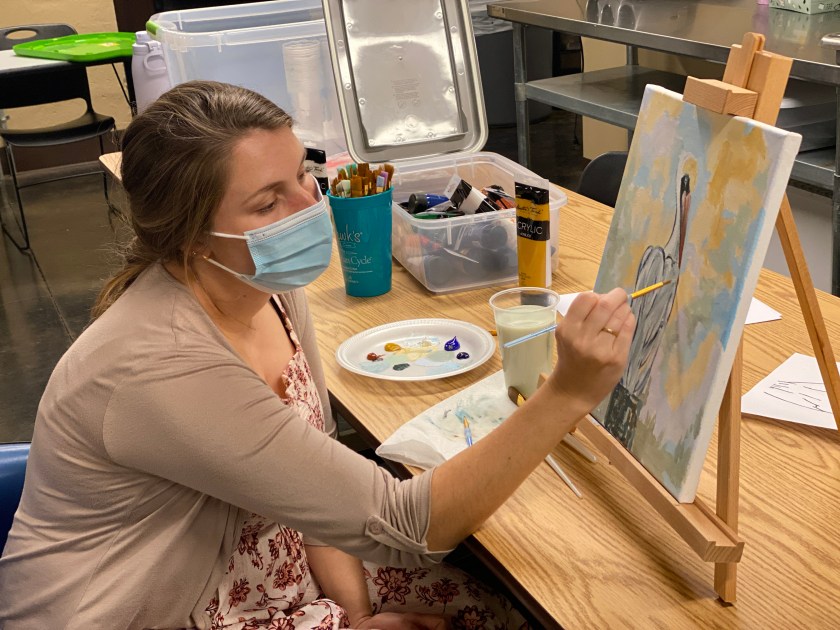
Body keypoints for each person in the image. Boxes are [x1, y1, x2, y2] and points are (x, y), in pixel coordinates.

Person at [0, 81, 635, 629]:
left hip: (270, 574)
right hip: (161, 610)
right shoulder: (162, 363)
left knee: (496, 609)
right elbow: (411, 527)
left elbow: (314, 486)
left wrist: (354, 615)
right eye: (266, 202)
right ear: (192, 236)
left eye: (303, 175)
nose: (309, 209)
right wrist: (567, 394)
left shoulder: (267, 287)